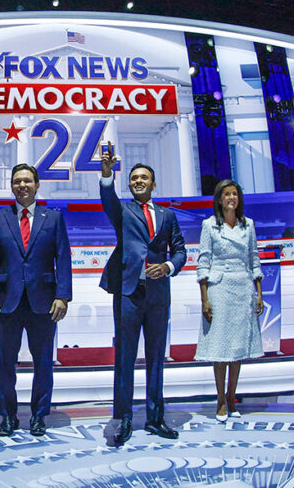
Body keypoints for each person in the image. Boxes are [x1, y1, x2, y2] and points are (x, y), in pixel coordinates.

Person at [98, 142, 187, 445]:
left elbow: (181, 251)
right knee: (124, 358)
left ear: (153, 183)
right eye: (133, 178)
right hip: (128, 293)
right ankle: (123, 419)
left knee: (156, 358)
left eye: (143, 177)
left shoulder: (167, 216)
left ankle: (155, 418)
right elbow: (108, 199)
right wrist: (107, 175)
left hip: (159, 295)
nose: (137, 181)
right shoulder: (122, 211)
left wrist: (168, 267)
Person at [0, 163, 72, 437]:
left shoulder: (53, 218)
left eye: (27, 181)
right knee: (5, 363)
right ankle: (7, 416)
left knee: (43, 362)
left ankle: (39, 416)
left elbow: (63, 259)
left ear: (37, 185)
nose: (22, 185)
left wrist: (63, 296)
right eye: (17, 181)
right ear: (11, 186)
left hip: (43, 302)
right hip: (6, 301)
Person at [195, 179, 264, 422]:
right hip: (219, 288)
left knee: (237, 349)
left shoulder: (249, 225)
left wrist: (259, 293)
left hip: (243, 287)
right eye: (227, 194)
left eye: (235, 193)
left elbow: (253, 259)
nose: (231, 198)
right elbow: (203, 262)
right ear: (219, 199)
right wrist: (204, 298)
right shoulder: (209, 225)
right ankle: (220, 400)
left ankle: (232, 397)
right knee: (221, 349)